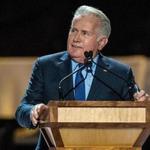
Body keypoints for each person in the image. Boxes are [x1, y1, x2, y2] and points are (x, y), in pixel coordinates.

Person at [15, 5, 150, 150]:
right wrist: (33, 111)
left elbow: (135, 116)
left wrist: (142, 106)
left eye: (85, 33)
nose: (76, 38)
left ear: (101, 42)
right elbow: (22, 110)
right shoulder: (46, 66)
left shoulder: (120, 73)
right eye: (73, 30)